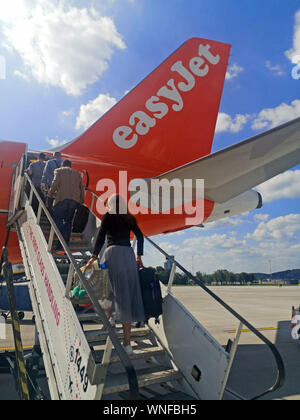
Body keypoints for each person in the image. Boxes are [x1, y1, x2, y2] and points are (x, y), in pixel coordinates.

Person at [85, 194, 145, 355]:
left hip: (113, 255)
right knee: (126, 296)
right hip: (128, 256)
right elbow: (140, 236)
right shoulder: (128, 218)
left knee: (104, 287)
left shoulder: (108, 216)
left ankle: (110, 317)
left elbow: (100, 236)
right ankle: (127, 344)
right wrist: (139, 255)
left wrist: (93, 256)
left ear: (110, 204)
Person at [48, 160, 85, 250]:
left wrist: (50, 194)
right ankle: (64, 243)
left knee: (57, 218)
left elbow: (55, 183)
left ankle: (62, 240)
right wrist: (81, 201)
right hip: (74, 201)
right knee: (68, 221)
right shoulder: (77, 174)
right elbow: (82, 188)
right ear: (70, 165)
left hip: (62, 198)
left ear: (62, 165)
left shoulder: (59, 170)